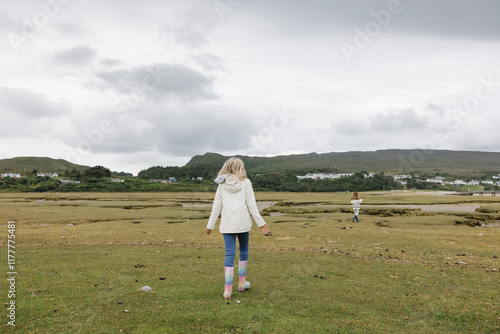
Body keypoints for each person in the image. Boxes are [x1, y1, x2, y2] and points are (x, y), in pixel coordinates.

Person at [206, 157, 270, 300]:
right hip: (242, 223)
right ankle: (242, 284)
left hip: (228, 224)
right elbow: (252, 205)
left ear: (227, 168)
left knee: (229, 254)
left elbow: (216, 206)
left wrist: (210, 225)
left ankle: (227, 291)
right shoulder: (246, 182)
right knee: (244, 249)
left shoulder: (221, 184)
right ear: (241, 168)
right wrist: (260, 223)